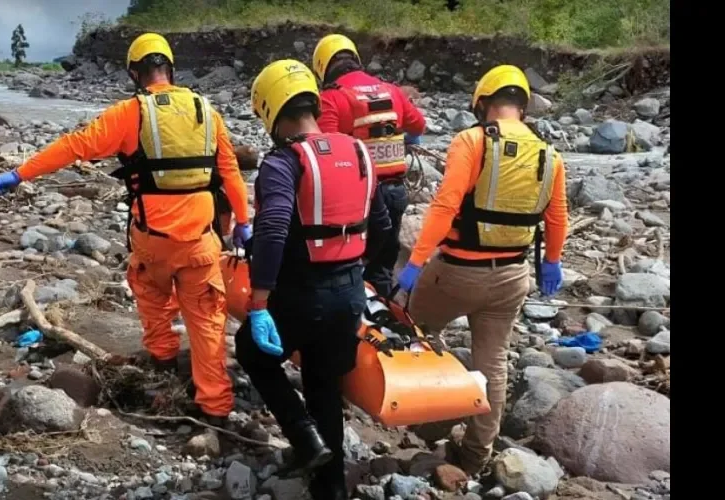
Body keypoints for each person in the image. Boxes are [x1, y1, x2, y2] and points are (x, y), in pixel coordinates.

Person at [0, 33, 251, 426]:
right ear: (170, 69)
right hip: (200, 242)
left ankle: (163, 364)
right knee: (208, 322)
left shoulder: (131, 113)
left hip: (153, 240)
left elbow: (74, 146)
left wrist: (20, 173)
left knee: (150, 293)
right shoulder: (206, 111)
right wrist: (243, 222)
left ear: (134, 72)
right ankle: (215, 408)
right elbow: (229, 173)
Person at [396, 64, 569, 474]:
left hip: (456, 272)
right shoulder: (550, 155)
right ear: (522, 107)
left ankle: (406, 418)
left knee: (408, 330)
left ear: (482, 104)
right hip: (511, 278)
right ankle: (477, 454)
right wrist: (552, 262)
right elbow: (557, 217)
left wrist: (416, 262)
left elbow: (445, 207)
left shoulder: (472, 141)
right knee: (492, 363)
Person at [235, 59, 391, 500]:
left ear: (269, 110)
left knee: (251, 350)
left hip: (300, 293)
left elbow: (272, 229)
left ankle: (303, 437)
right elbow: (381, 226)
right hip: (347, 292)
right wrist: (355, 270)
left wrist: (260, 300)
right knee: (324, 385)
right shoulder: (358, 151)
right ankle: (332, 486)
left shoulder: (283, 162)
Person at [312, 34, 426, 296]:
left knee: (350, 264)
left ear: (323, 67)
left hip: (360, 199)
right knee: (383, 266)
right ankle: (384, 320)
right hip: (396, 192)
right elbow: (418, 126)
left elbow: (323, 150)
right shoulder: (391, 90)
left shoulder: (331, 97)